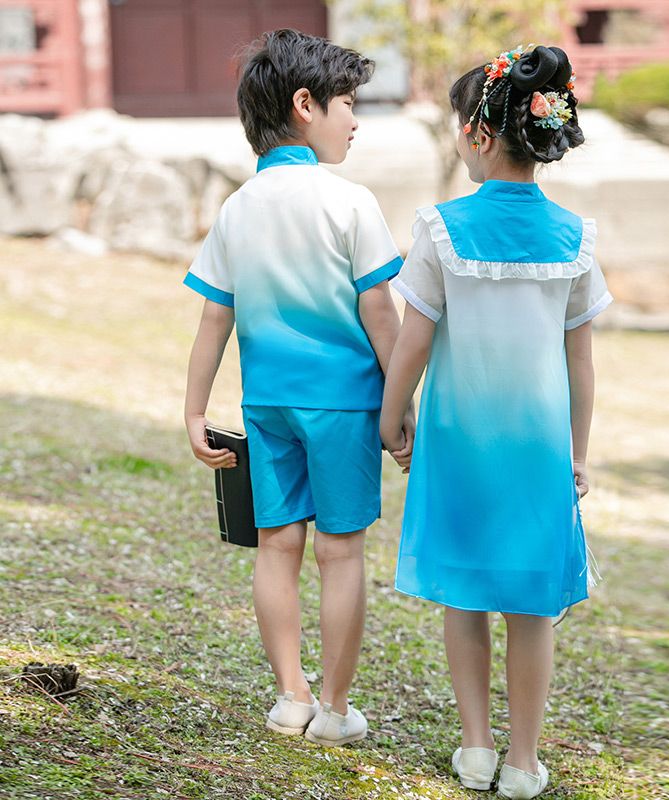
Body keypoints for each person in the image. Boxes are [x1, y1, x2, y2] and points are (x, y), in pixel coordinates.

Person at [380, 44, 612, 799]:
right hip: (540, 450)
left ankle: (474, 747)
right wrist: (577, 454)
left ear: (479, 133)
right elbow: (581, 364)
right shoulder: (575, 237)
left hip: (459, 445)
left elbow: (413, 340)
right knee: (533, 606)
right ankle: (522, 761)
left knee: (466, 596)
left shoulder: (440, 228)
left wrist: (394, 415)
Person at [183, 29, 413, 747]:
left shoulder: (237, 207)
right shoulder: (349, 202)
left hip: (267, 405)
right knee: (340, 553)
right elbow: (381, 313)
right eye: (348, 102)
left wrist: (195, 410)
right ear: (305, 104)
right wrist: (403, 407)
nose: (355, 118)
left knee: (276, 546)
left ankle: (290, 697)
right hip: (344, 404)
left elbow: (213, 317)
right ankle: (336, 710)